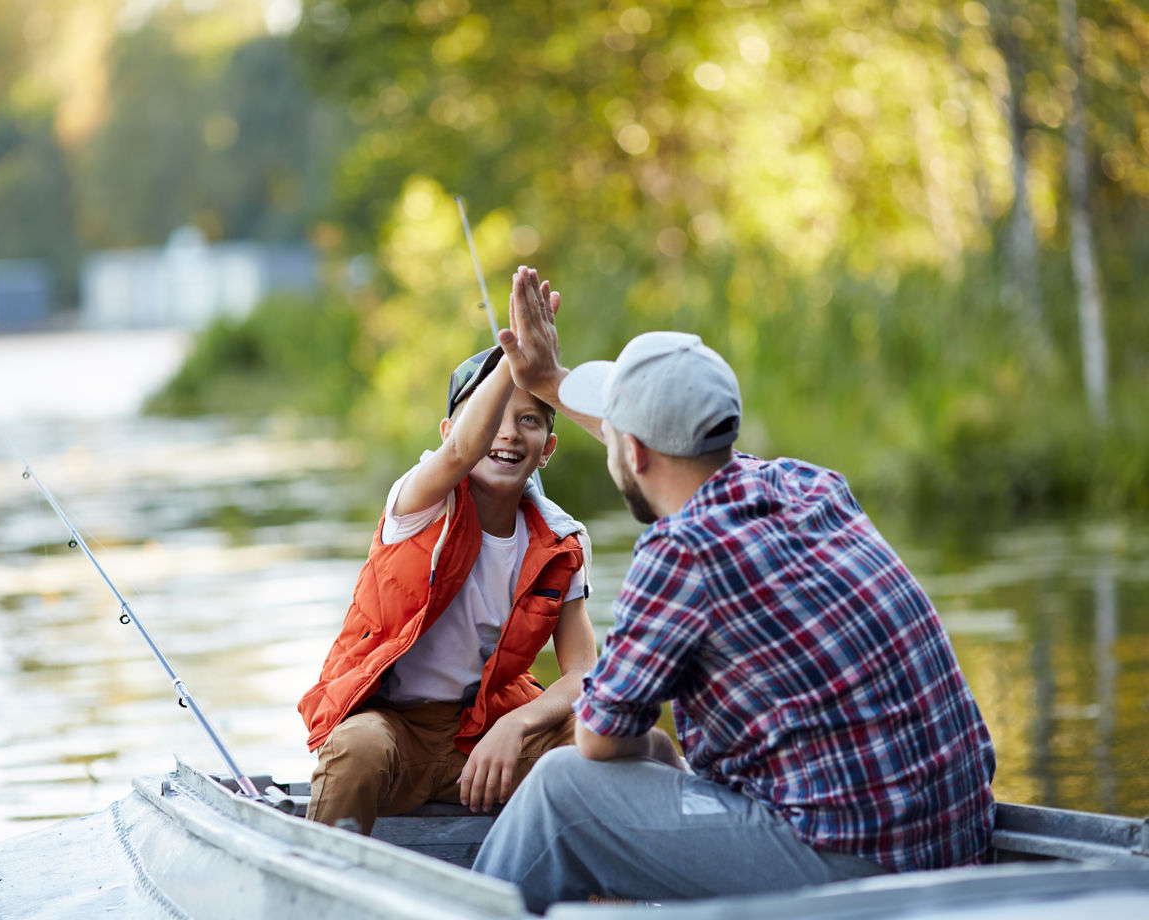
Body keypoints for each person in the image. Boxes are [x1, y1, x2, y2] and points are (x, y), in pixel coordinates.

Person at [471, 267, 997, 911]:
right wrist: (549, 382)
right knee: (658, 759)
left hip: (858, 871)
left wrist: (651, 750)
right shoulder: (809, 486)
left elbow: (601, 739)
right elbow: (654, 446)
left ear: (633, 453)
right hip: (961, 843)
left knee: (561, 790)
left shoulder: (679, 552)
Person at [297, 337, 598, 835]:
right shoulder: (419, 501)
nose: (508, 433)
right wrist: (516, 358)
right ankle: (320, 887)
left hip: (485, 736)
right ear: (449, 432)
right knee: (359, 747)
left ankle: (611, 898)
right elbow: (461, 452)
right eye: (494, 414)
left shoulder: (562, 542)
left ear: (547, 448)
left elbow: (584, 674)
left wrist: (515, 726)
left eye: (528, 419)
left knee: (603, 732)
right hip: (394, 728)